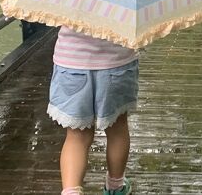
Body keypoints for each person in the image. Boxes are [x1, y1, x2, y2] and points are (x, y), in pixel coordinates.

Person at [47, 25, 139, 195]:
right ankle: (116, 186)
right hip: (117, 62)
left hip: (72, 61)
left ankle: (71, 192)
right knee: (117, 129)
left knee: (76, 136)